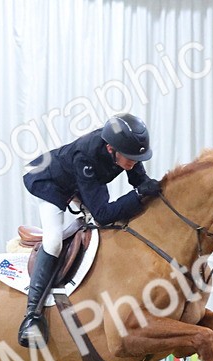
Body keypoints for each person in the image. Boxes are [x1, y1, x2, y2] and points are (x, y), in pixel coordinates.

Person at [18, 113, 163, 348]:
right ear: (110, 149)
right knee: (54, 241)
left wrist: (151, 190)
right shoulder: (86, 158)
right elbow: (103, 214)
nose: (134, 163)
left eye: (138, 158)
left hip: (75, 181)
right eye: (130, 158)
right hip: (47, 181)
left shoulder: (125, 150)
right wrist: (138, 195)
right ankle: (32, 315)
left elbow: (139, 180)